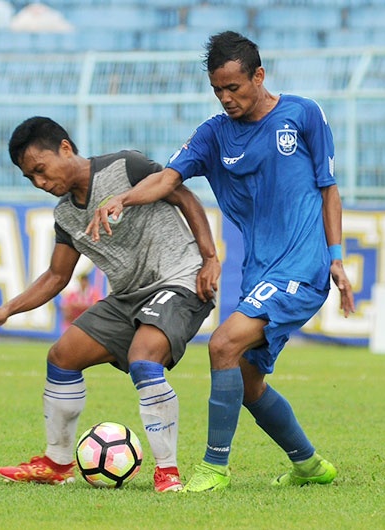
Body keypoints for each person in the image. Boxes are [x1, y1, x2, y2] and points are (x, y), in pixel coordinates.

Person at [87, 31, 355, 492]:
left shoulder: (303, 114)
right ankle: (310, 466)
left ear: (259, 75)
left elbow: (328, 188)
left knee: (222, 346)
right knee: (249, 384)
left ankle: (214, 468)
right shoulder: (214, 134)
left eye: (235, 87)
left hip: (303, 265)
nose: (227, 98)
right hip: (259, 271)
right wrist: (124, 200)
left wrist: (335, 258)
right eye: (218, 90)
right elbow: (169, 178)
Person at [0, 116, 221, 493]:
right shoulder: (65, 216)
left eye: (41, 169)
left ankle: (167, 472)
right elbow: (56, 275)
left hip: (180, 278)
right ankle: (56, 463)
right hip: (128, 296)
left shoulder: (125, 166)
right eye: (30, 178)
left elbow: (182, 194)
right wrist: (8, 309)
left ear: (65, 148)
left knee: (143, 356)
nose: (40, 182)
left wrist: (210, 257)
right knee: (62, 356)